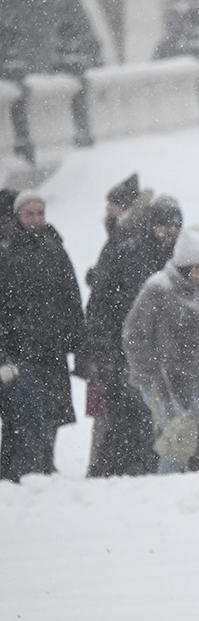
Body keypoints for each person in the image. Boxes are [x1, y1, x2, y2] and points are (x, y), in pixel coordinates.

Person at [82, 194, 185, 477]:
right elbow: (101, 307)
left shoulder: (179, 262)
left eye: (176, 225)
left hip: (163, 360)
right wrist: (103, 352)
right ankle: (123, 473)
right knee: (127, 422)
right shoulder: (127, 254)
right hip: (124, 354)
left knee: (155, 422)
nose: (170, 230)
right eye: (165, 224)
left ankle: (141, 473)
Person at [0, 192, 84, 481]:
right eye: (29, 213)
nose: (36, 219)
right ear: (18, 215)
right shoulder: (8, 251)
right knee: (25, 416)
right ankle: (24, 472)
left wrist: (78, 341)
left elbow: (70, 296)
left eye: (40, 213)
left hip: (52, 348)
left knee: (52, 413)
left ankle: (44, 465)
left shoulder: (53, 247)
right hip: (20, 351)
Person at [121, 227, 199, 474]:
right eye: (196, 267)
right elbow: (134, 334)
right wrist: (149, 371)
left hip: (192, 379)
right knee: (176, 438)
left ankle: (174, 485)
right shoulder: (158, 289)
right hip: (161, 381)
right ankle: (167, 487)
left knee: (185, 439)